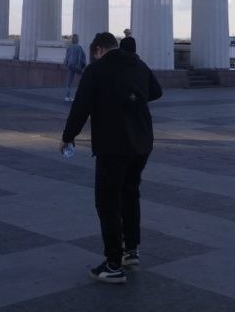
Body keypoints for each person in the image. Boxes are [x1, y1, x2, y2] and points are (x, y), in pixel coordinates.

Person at [61, 31, 163, 285]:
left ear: (98, 51)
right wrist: (133, 99)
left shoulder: (97, 70)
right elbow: (157, 91)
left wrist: (68, 136)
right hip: (142, 142)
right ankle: (131, 251)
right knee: (130, 194)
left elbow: (81, 106)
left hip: (113, 144)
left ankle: (113, 264)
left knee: (107, 202)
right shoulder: (138, 64)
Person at [64, 34, 87, 101]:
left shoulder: (69, 47)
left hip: (70, 65)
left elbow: (67, 56)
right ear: (77, 39)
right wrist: (80, 67)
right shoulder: (79, 47)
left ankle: (67, 96)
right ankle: (81, 95)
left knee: (69, 81)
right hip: (76, 65)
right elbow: (80, 57)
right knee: (84, 77)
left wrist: (66, 64)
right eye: (77, 38)